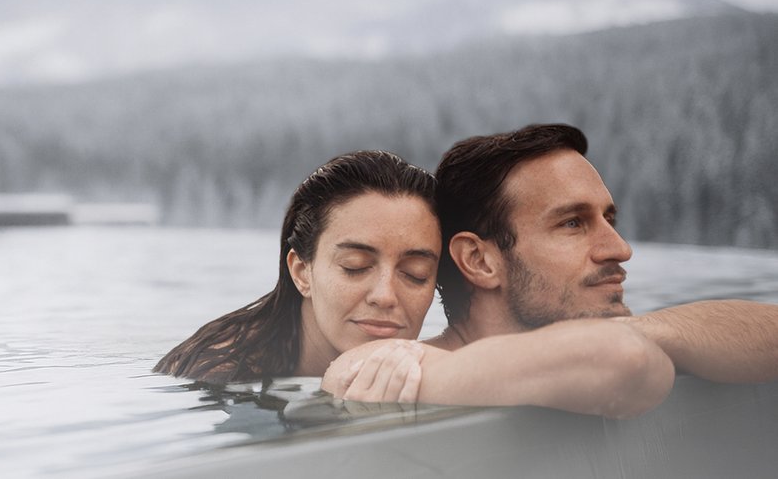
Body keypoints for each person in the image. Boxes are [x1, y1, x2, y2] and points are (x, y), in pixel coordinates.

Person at [325, 123, 778, 409]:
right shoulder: (383, 365)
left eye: (609, 220)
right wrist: (654, 340)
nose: (619, 248)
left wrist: (654, 332)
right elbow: (628, 364)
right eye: (573, 223)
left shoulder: (591, 352)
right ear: (479, 260)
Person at [155, 149, 439, 400]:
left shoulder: (438, 364)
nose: (385, 296)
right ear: (302, 272)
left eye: (416, 274)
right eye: (355, 266)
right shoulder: (223, 375)